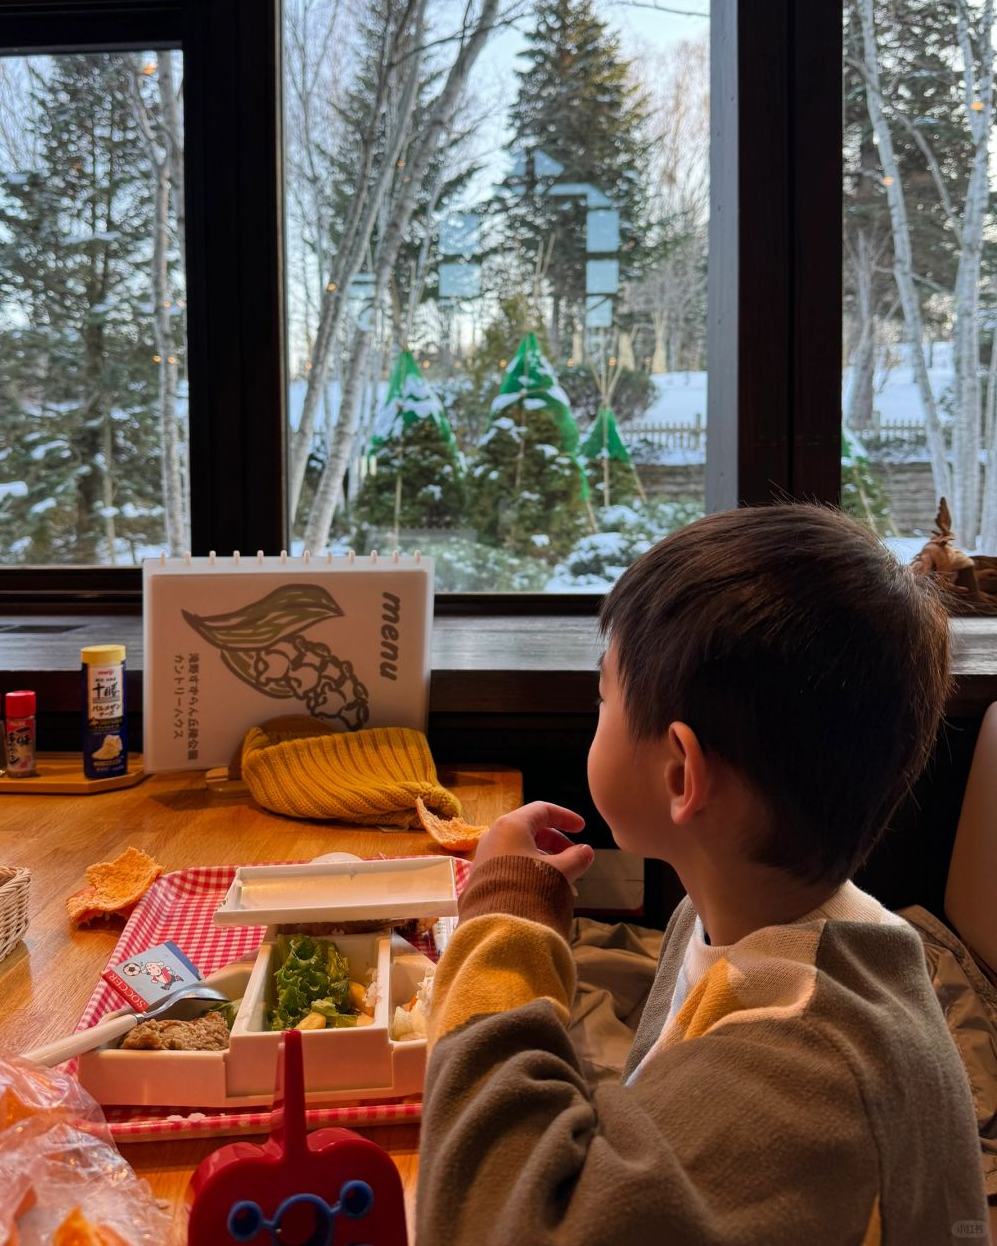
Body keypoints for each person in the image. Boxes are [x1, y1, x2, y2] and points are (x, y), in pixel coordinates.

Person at [416, 504, 988, 1245]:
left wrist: (505, 929)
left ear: (682, 773)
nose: (598, 712)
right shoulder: (747, 917)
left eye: (604, 698)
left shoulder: (807, 1066)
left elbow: (490, 1222)